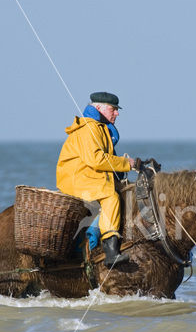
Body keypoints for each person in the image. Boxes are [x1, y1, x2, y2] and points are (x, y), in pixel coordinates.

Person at [56, 91, 137, 267]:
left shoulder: (98, 127)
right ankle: (110, 250)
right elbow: (96, 159)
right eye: (113, 109)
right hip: (77, 179)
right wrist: (126, 164)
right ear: (98, 108)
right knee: (111, 197)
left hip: (87, 176)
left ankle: (95, 235)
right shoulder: (91, 127)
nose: (117, 113)